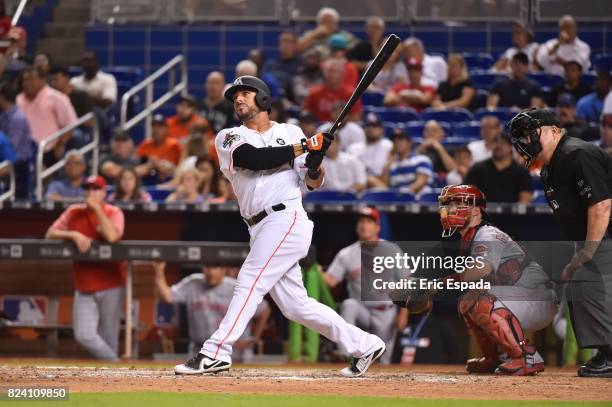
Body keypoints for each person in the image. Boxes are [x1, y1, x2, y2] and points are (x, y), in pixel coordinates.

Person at [174, 75, 386, 377]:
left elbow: (311, 182)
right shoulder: (228, 136)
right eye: (235, 96)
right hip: (259, 226)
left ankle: (216, 351)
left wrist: (315, 162)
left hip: (285, 218)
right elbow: (254, 159)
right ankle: (364, 344)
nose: (239, 99)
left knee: (249, 278)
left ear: (262, 98)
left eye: (245, 93)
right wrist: (305, 147)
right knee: (295, 306)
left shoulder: (290, 132)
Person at [401, 184, 557, 375]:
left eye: (457, 204)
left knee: (479, 298)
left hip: (538, 297)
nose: (450, 210)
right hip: (520, 297)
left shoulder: (488, 234)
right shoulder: (466, 241)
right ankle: (495, 358)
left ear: (476, 210)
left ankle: (526, 356)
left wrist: (437, 284)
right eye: (448, 205)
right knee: (467, 300)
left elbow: (481, 269)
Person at [508, 108, 612, 377]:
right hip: (596, 237)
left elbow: (601, 205)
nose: (526, 141)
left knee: (589, 284)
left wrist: (588, 251)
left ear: (554, 130)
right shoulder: (549, 168)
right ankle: (606, 354)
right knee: (582, 283)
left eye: (531, 134)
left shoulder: (577, 153)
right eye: (522, 137)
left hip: (606, 235)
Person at [45, 175, 125, 361]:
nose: (90, 193)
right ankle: (116, 364)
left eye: (96, 189)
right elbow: (50, 234)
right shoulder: (74, 212)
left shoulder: (114, 212)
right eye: (88, 189)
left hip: (111, 284)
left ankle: (113, 381)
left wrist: (97, 209)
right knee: (84, 335)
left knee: (109, 339)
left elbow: (112, 237)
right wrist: (73, 234)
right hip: (84, 285)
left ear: (104, 193)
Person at [321, 207, 405, 365]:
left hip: (386, 312)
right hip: (362, 311)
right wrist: (314, 268)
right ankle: (345, 354)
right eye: (361, 221)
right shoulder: (347, 253)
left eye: (369, 221)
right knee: (349, 305)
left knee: (383, 362)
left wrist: (404, 314)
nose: (364, 225)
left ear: (377, 227)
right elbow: (331, 280)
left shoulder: (392, 250)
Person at [153, 261, 271, 360]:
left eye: (215, 268)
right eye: (207, 267)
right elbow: (168, 296)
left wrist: (254, 338)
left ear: (224, 269)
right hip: (199, 350)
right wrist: (159, 273)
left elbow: (265, 310)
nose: (210, 272)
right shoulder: (193, 283)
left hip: (234, 352)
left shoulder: (236, 287)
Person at [17, 67, 78, 166]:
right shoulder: (18, 100)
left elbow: (70, 124)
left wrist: (60, 144)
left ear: (42, 80)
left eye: (32, 79)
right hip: (22, 151)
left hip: (49, 150)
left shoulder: (56, 97)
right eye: (25, 80)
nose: (27, 83)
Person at [465, 135, 533, 203]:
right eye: (495, 143)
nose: (499, 146)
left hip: (511, 213)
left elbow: (525, 198)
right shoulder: (478, 169)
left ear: (510, 147)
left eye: (503, 143)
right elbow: (467, 193)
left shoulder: (521, 172)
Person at [0, 81, 32, 198]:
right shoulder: (3, 115)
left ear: (2, 97)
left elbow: (12, 145)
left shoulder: (17, 118)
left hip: (19, 160)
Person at [303, 57, 362, 122]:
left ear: (342, 73)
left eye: (334, 71)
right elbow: (306, 114)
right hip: (318, 128)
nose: (331, 74)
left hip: (340, 128)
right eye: (328, 71)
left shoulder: (350, 94)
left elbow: (355, 118)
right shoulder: (314, 92)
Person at [379, 128, 434, 195]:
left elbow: (421, 182)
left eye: (401, 139)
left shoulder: (421, 159)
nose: (397, 142)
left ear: (409, 143)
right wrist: (388, 163)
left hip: (420, 200)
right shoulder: (391, 165)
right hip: (398, 202)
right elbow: (384, 187)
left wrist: (403, 194)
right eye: (394, 140)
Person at [347, 112, 393, 187]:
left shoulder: (389, 146)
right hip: (358, 184)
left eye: (375, 126)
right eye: (368, 125)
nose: (371, 129)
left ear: (382, 130)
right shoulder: (353, 148)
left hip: (382, 182)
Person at [136, 114, 182, 183]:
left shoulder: (174, 145)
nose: (156, 129)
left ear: (166, 129)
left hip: (169, 181)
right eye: (154, 126)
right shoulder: (145, 145)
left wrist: (158, 164)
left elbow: (179, 169)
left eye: (160, 126)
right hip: (148, 181)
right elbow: (138, 167)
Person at [264, 31, 303, 95]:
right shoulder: (270, 64)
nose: (285, 44)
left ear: (295, 45)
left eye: (289, 41)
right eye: (283, 41)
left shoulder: (301, 64)